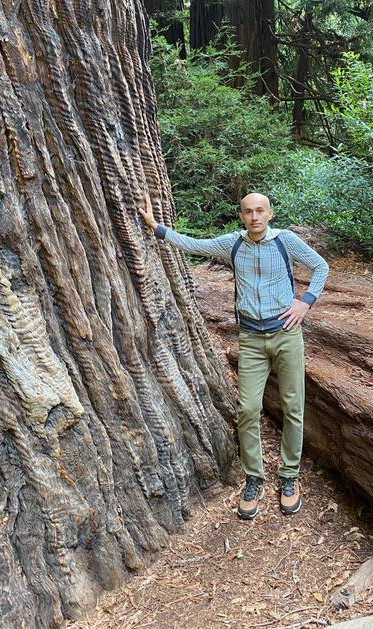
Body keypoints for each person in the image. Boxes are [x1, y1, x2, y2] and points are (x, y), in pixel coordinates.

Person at [139, 192, 329, 520]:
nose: (254, 216)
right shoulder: (233, 244)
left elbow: (320, 266)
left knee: (293, 407)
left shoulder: (286, 241)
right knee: (248, 409)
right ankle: (254, 478)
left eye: (259, 211)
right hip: (252, 338)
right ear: (241, 215)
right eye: (248, 212)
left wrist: (306, 301)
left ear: (269, 213)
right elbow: (194, 245)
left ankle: (289, 477)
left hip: (287, 335)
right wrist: (156, 227)